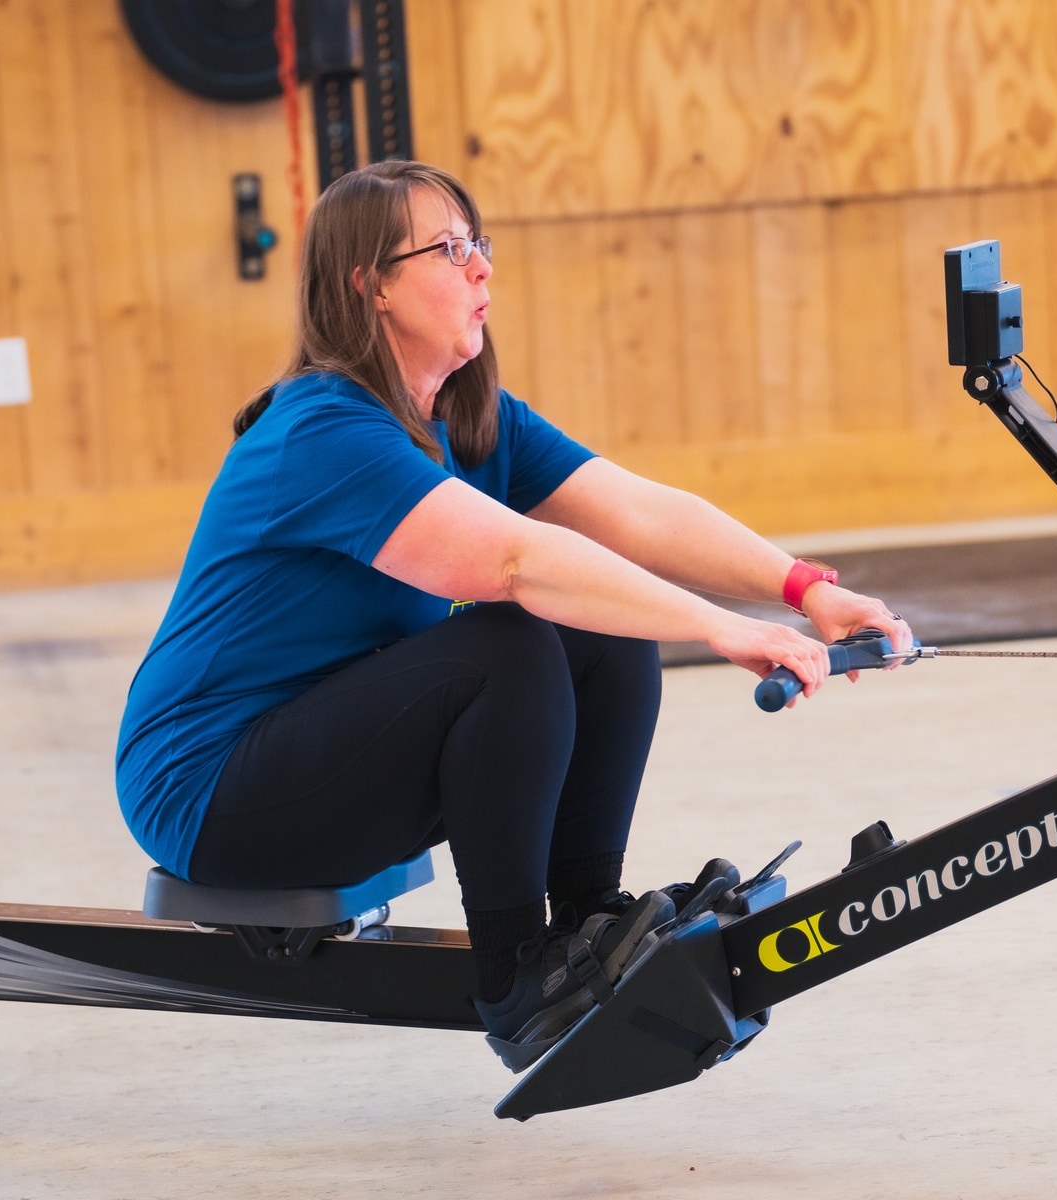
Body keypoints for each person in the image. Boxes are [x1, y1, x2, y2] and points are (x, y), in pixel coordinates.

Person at [116, 161, 912, 1068]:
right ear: (370, 284)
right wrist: (718, 626)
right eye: (449, 250)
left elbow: (642, 514)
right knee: (508, 641)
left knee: (594, 633)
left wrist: (809, 589)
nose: (481, 270)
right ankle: (517, 980)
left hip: (316, 760)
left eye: (479, 245)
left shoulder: (470, 420)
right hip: (207, 789)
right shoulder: (323, 430)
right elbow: (514, 561)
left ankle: (583, 923)